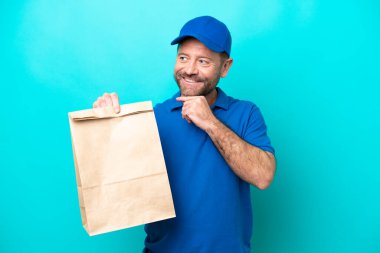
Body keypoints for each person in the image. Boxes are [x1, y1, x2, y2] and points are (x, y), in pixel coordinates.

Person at [93, 16, 276, 253]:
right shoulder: (154, 117)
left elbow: (263, 176)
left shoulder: (246, 114)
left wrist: (210, 122)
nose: (189, 70)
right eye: (183, 58)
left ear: (225, 67)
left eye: (203, 61)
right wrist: (106, 130)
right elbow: (119, 191)